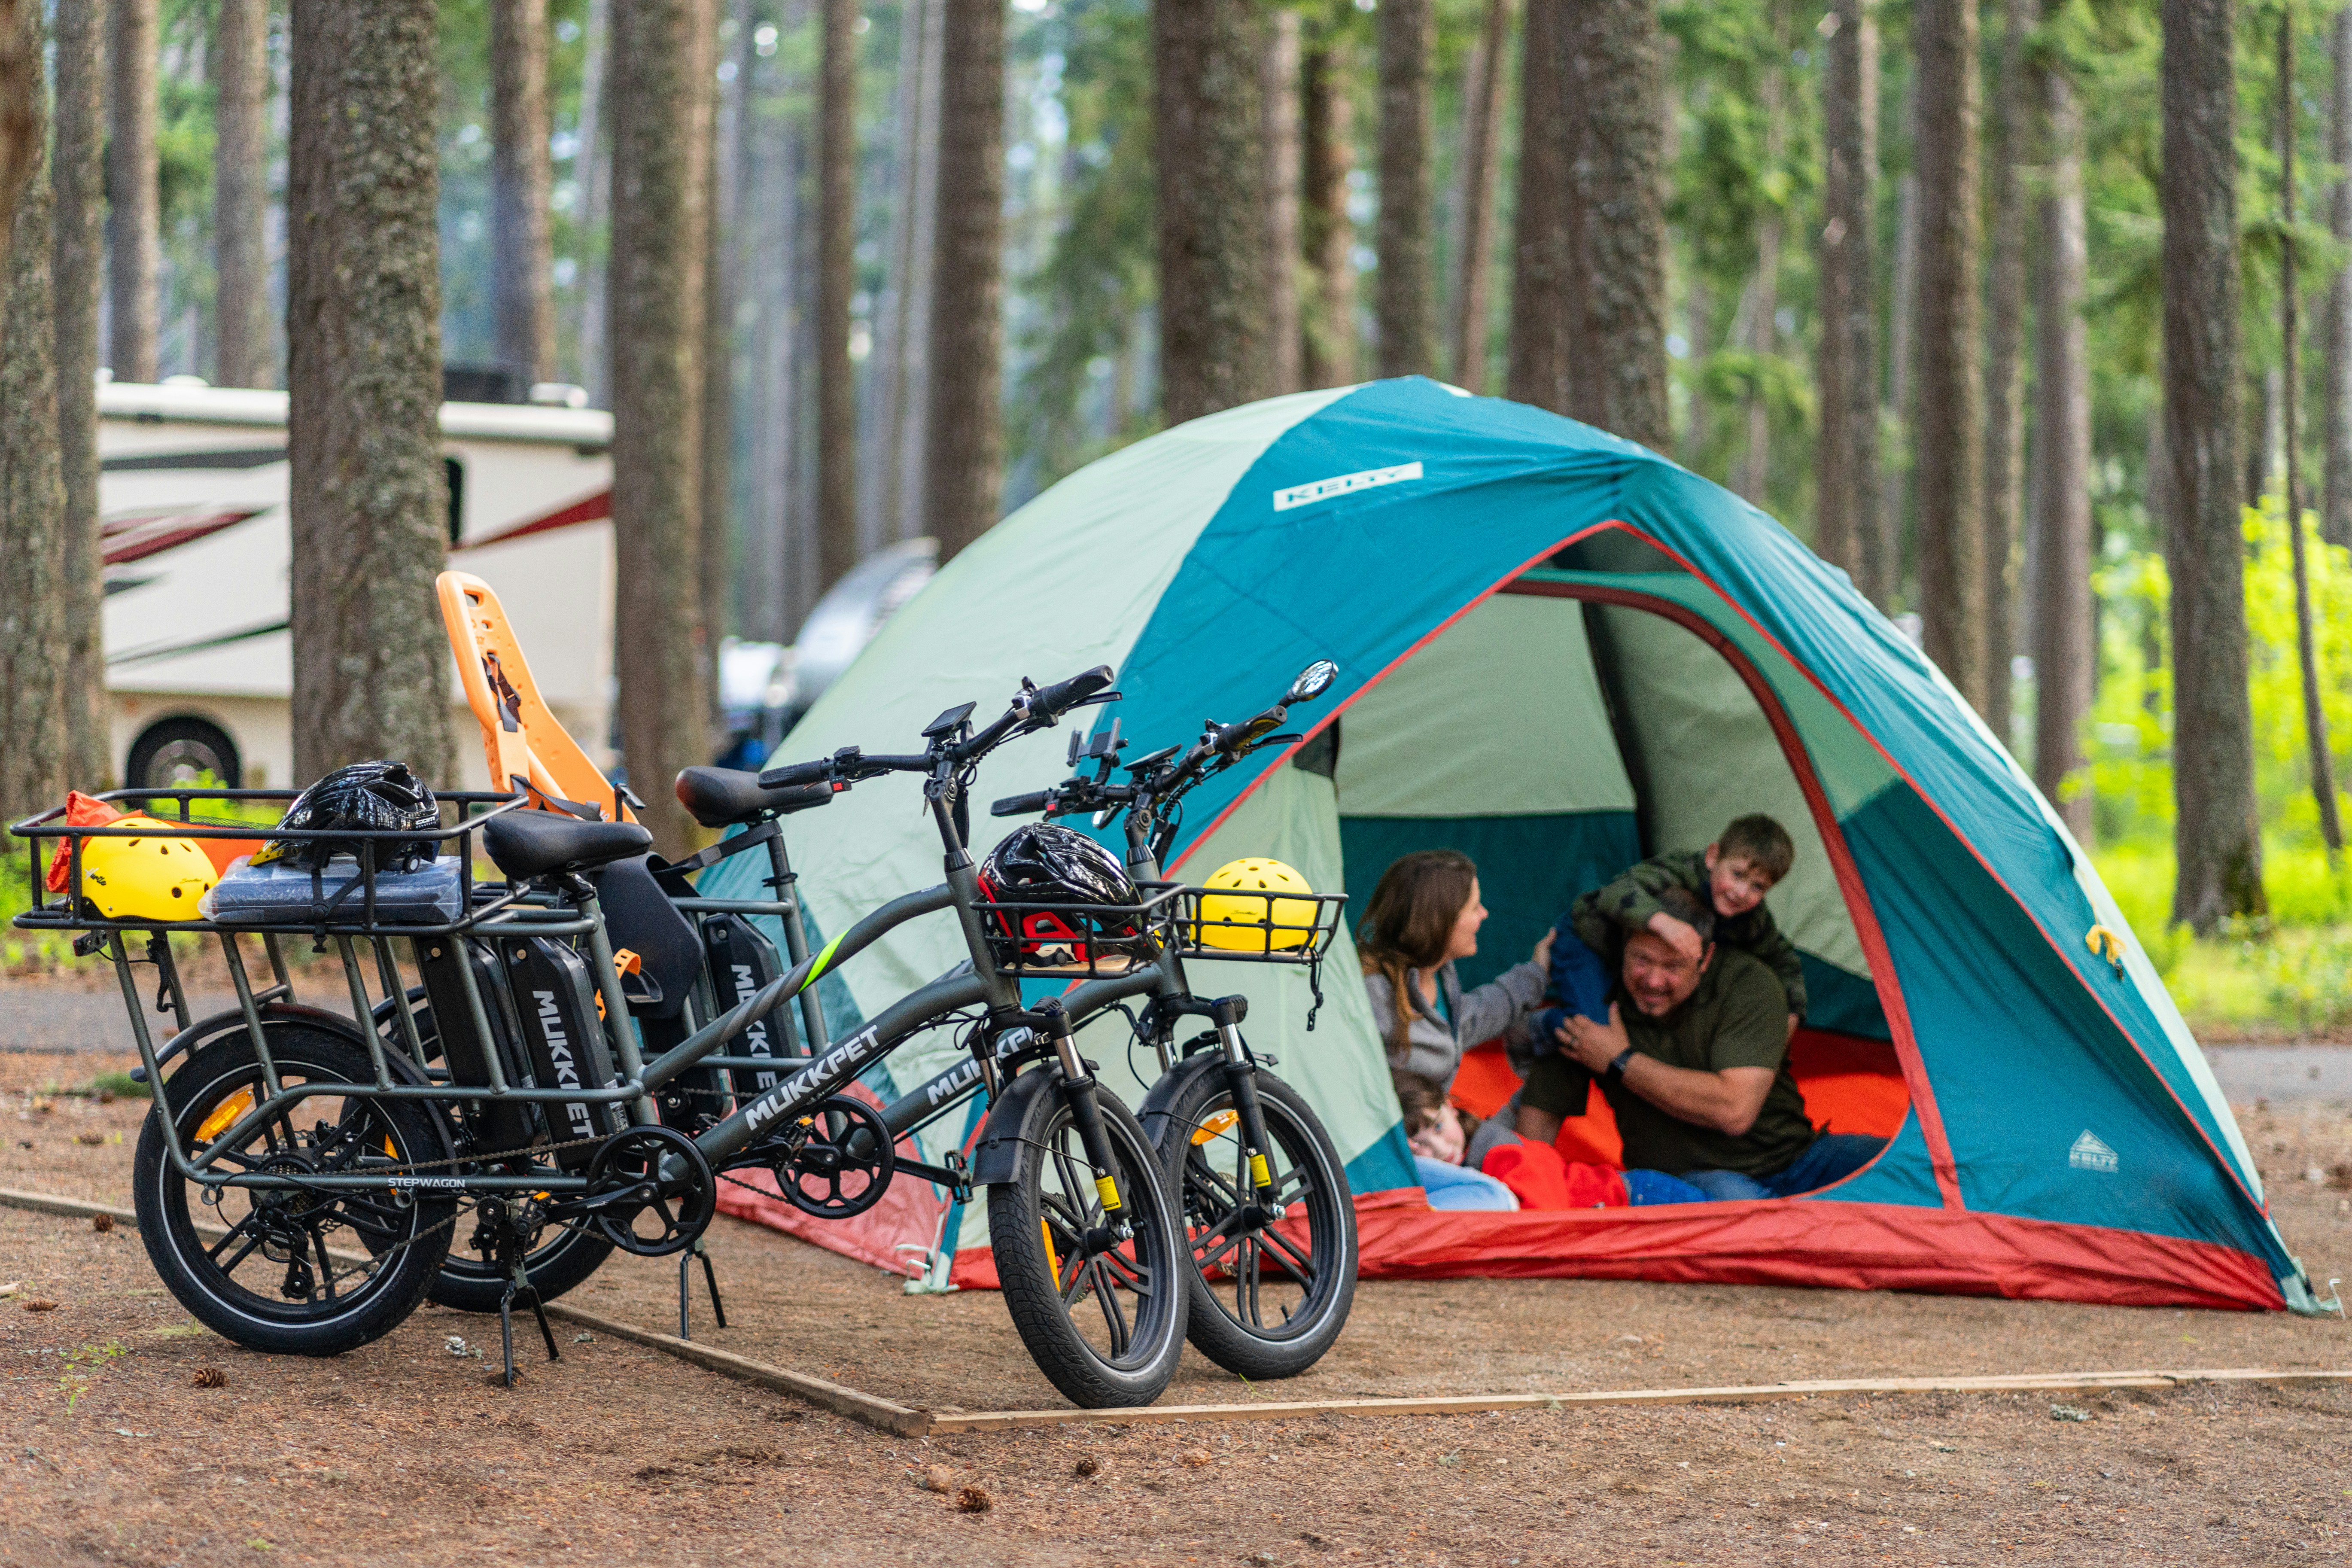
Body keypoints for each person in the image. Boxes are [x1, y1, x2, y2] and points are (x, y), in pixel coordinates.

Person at [1513, 887, 1884, 1201]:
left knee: (1908, 1166)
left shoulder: (1746, 982)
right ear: (1623, 947)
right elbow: (1537, 1125)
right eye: (1642, 960)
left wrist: (1621, 1060)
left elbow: (1734, 1109)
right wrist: (1529, 1198)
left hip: (1799, 1159)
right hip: (1693, 1179)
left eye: (1673, 966)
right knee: (1738, 1208)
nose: (1654, 980)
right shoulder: (1595, 1008)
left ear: (1705, 957)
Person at [1535, 813, 1807, 1044]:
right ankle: (1537, 1025)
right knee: (1595, 1032)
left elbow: (1783, 960)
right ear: (1713, 857)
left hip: (1637, 967)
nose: (1741, 892)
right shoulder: (1680, 870)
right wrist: (1663, 923)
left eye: (1757, 887)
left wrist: (1792, 1015)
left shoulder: (1753, 918)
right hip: (1586, 941)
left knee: (1632, 1039)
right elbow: (1616, 892)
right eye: (1737, 875)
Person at [1358, 849, 1553, 1092]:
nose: (1485, 913)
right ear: (1440, 921)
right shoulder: (1370, 995)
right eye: (1474, 908)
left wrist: (1537, 973)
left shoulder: (1440, 975)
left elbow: (1472, 1019)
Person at [1393, 1072, 1518, 1211]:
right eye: (1417, 1144)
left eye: (1438, 1127)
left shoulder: (1508, 1153)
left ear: (1450, 1106)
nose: (1439, 1148)